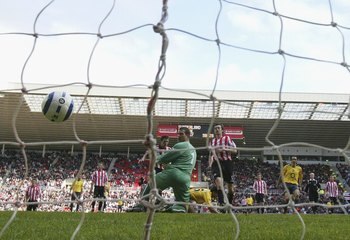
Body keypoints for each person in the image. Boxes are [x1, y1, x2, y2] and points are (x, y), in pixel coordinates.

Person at [131, 127, 197, 213]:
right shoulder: (194, 150)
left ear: (188, 135)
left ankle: (141, 205)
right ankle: (175, 209)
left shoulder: (181, 145)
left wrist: (154, 159)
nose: (178, 136)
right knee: (182, 205)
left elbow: (164, 158)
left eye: (181, 134)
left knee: (152, 183)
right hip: (185, 178)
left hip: (173, 173)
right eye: (178, 134)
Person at [209, 124, 237, 208]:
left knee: (230, 188)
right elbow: (211, 154)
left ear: (222, 130)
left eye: (218, 128)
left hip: (227, 163)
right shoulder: (212, 142)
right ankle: (221, 204)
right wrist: (210, 164)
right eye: (215, 128)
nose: (217, 130)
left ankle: (230, 204)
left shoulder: (227, 138)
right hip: (217, 163)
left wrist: (224, 149)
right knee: (218, 181)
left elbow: (235, 150)